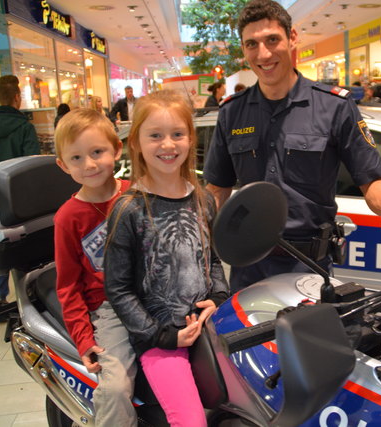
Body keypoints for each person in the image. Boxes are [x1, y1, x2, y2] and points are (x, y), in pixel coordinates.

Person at [203, 0, 381, 292]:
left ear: (292, 37)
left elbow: (370, 179)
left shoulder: (334, 106)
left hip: (309, 267)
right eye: (252, 44)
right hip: (248, 268)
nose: (264, 54)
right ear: (244, 50)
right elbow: (217, 190)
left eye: (272, 39)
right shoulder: (232, 112)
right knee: (245, 339)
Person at [104, 90, 229, 427]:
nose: (168, 145)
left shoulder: (203, 199)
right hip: (159, 338)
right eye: (155, 135)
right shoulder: (128, 209)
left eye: (177, 134)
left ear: (190, 138)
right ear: (137, 142)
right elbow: (118, 289)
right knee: (191, 422)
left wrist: (218, 296)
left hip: (206, 328)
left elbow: (212, 260)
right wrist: (161, 336)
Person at [53, 108, 136, 427]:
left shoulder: (136, 193)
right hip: (109, 308)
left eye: (97, 152)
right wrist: (83, 338)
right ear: (62, 164)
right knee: (115, 389)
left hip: (153, 297)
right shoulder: (68, 218)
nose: (88, 164)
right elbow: (68, 286)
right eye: (76, 158)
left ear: (117, 148)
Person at [0, 75, 41, 304]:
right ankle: (27, 296)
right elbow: (31, 164)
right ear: (16, 97)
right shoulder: (24, 127)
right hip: (19, 197)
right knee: (24, 245)